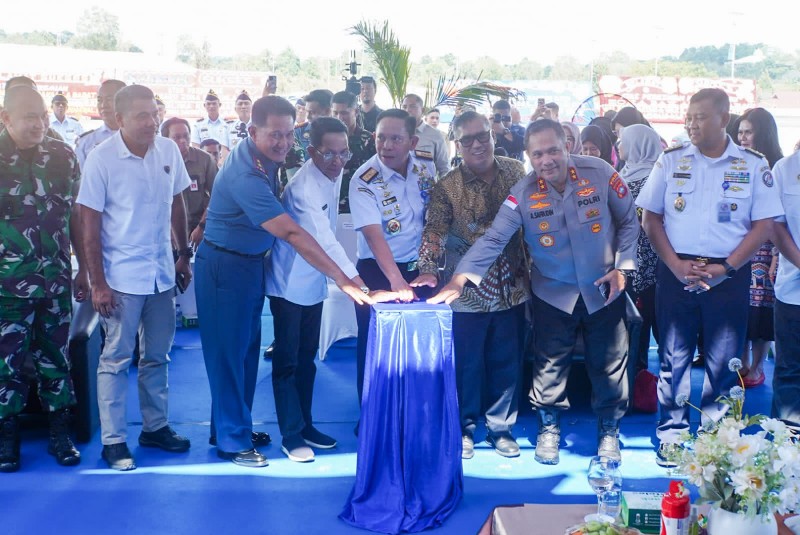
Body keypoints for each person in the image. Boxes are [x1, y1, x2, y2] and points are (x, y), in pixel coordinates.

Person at [430, 119, 639, 465]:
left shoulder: (601, 172)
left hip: (604, 289)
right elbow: (494, 239)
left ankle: (608, 431)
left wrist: (623, 268)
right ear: (528, 156)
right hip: (553, 293)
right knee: (549, 365)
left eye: (553, 150)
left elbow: (630, 221)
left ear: (567, 146)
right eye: (538, 154)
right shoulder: (523, 193)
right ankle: (548, 428)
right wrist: (459, 278)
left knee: (609, 364)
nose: (546, 160)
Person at [195, 96, 373, 468]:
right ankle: (232, 440)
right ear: (252, 130)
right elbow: (291, 232)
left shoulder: (265, 158)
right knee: (228, 355)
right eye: (275, 134)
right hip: (225, 266)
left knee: (245, 352)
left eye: (289, 134)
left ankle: (232, 426)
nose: (284, 142)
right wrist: (344, 280)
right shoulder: (247, 173)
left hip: (249, 265)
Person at [636, 88, 783, 467]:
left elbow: (764, 225)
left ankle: (715, 440)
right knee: (673, 358)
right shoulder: (670, 160)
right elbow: (650, 218)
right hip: (676, 272)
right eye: (689, 117)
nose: (691, 124)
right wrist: (674, 265)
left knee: (724, 362)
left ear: (723, 119)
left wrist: (727, 267)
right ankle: (672, 433)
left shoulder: (753, 164)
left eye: (700, 117)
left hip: (729, 275)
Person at [77, 84, 193, 471]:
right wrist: (98, 282)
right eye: (141, 116)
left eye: (154, 113)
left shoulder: (168, 150)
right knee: (115, 359)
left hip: (161, 274)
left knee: (157, 356)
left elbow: (177, 202)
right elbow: (89, 225)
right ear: (119, 119)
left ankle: (155, 427)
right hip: (120, 280)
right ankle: (113, 441)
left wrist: (183, 255)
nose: (151, 122)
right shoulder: (101, 158)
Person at [266, 117, 395, 462]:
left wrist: (349, 280)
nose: (338, 162)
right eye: (329, 154)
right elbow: (324, 239)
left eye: (344, 153)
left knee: (307, 357)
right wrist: (357, 282)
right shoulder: (303, 188)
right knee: (287, 361)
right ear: (312, 152)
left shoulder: (333, 174)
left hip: (314, 279)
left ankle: (306, 424)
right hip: (288, 282)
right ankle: (291, 435)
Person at [412, 111, 530, 459]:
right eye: (468, 140)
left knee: (506, 361)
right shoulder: (447, 186)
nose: (477, 144)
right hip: (465, 293)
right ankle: (464, 428)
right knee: (466, 364)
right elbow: (434, 230)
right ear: (457, 144)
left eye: (483, 136)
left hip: (512, 285)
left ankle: (500, 428)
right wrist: (428, 269)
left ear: (493, 136)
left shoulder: (516, 171)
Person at [0, 86, 84, 472]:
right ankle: (7, 436)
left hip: (55, 281)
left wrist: (85, 269)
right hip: (7, 286)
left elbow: (77, 216)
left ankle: (59, 433)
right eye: (29, 117)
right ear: (6, 118)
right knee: (6, 364)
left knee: (56, 358)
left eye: (43, 116)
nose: (39, 124)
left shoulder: (63, 156)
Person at [348, 108, 437, 405]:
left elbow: (433, 217)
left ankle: (413, 407)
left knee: (418, 343)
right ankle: (371, 412)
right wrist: (396, 281)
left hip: (420, 270)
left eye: (396, 139)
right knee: (375, 344)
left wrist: (429, 265)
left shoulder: (425, 166)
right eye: (381, 138)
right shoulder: (364, 179)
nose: (386, 146)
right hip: (378, 271)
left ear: (413, 142)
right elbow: (374, 236)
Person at [737, 107, 783, 387]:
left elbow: (780, 219)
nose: (742, 137)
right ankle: (741, 364)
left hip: (767, 250)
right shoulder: (735, 164)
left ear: (762, 133)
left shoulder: (777, 167)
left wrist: (776, 256)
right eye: (740, 132)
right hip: (738, 248)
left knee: (761, 310)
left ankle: (756, 367)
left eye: (749, 132)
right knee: (740, 307)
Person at [618, 124, 664, 369]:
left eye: (624, 140)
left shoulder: (655, 178)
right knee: (635, 322)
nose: (619, 145)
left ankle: (655, 374)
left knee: (654, 319)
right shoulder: (622, 175)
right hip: (629, 260)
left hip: (652, 260)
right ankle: (638, 372)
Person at [771, 148, 800, 434]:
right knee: (790, 367)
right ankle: (788, 441)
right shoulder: (785, 169)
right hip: (793, 289)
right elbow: (775, 226)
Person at [162, 118, 218, 247]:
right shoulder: (158, 161)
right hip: (168, 231)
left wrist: (202, 226)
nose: (183, 141)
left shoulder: (205, 160)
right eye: (176, 137)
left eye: (186, 136)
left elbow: (218, 195)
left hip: (198, 228)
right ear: (166, 140)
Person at [331, 91, 376, 214]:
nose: (339, 118)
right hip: (333, 205)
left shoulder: (369, 140)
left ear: (356, 112)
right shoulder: (326, 141)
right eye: (335, 113)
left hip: (362, 205)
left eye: (344, 113)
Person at [75, 79, 126, 168]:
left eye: (109, 99)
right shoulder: (86, 142)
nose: (103, 105)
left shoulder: (141, 139)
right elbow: (81, 175)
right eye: (99, 100)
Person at [401, 93, 449, 176]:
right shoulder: (396, 132)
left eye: (413, 106)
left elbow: (444, 168)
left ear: (422, 110)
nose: (408, 110)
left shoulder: (435, 135)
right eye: (404, 107)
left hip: (425, 183)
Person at [191, 90, 231, 159]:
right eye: (208, 104)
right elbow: (195, 147)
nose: (211, 106)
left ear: (220, 105)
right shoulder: (198, 125)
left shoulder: (228, 125)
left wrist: (222, 160)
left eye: (214, 103)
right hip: (204, 160)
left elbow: (228, 147)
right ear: (204, 105)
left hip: (223, 160)